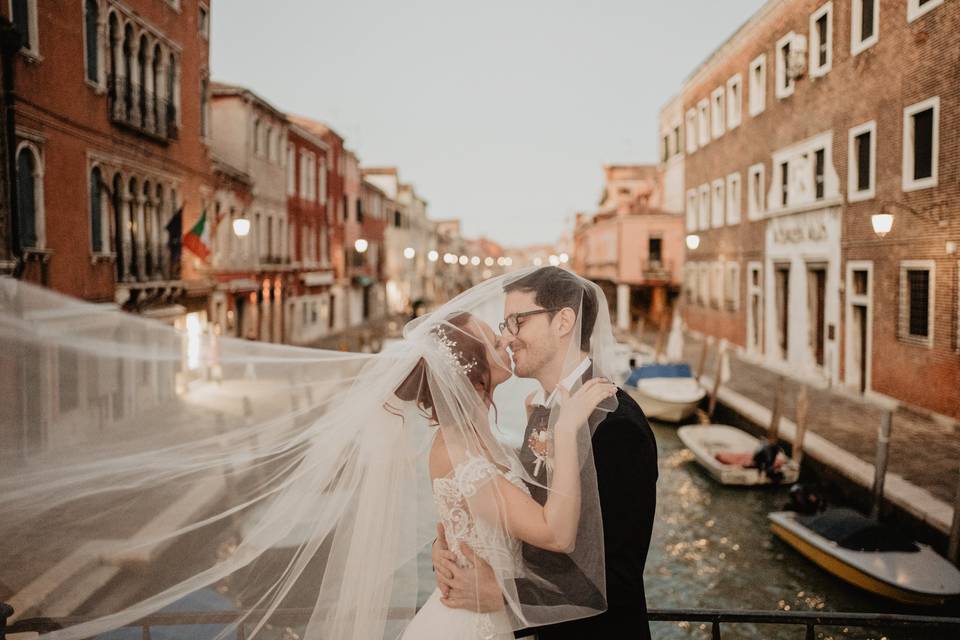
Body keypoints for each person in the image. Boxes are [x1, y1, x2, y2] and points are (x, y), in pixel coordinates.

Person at [0, 267, 624, 640]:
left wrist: (448, 545)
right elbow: (553, 527)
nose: (508, 340)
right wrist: (567, 429)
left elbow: (469, 517)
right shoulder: (462, 448)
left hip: (482, 609)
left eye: (513, 327)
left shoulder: (475, 439)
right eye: (498, 335)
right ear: (472, 375)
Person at [433, 266, 659, 639]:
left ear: (563, 321)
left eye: (516, 321)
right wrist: (453, 548)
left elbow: (615, 573)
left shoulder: (616, 426)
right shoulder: (542, 410)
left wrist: (505, 597)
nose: (507, 338)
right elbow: (518, 513)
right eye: (505, 324)